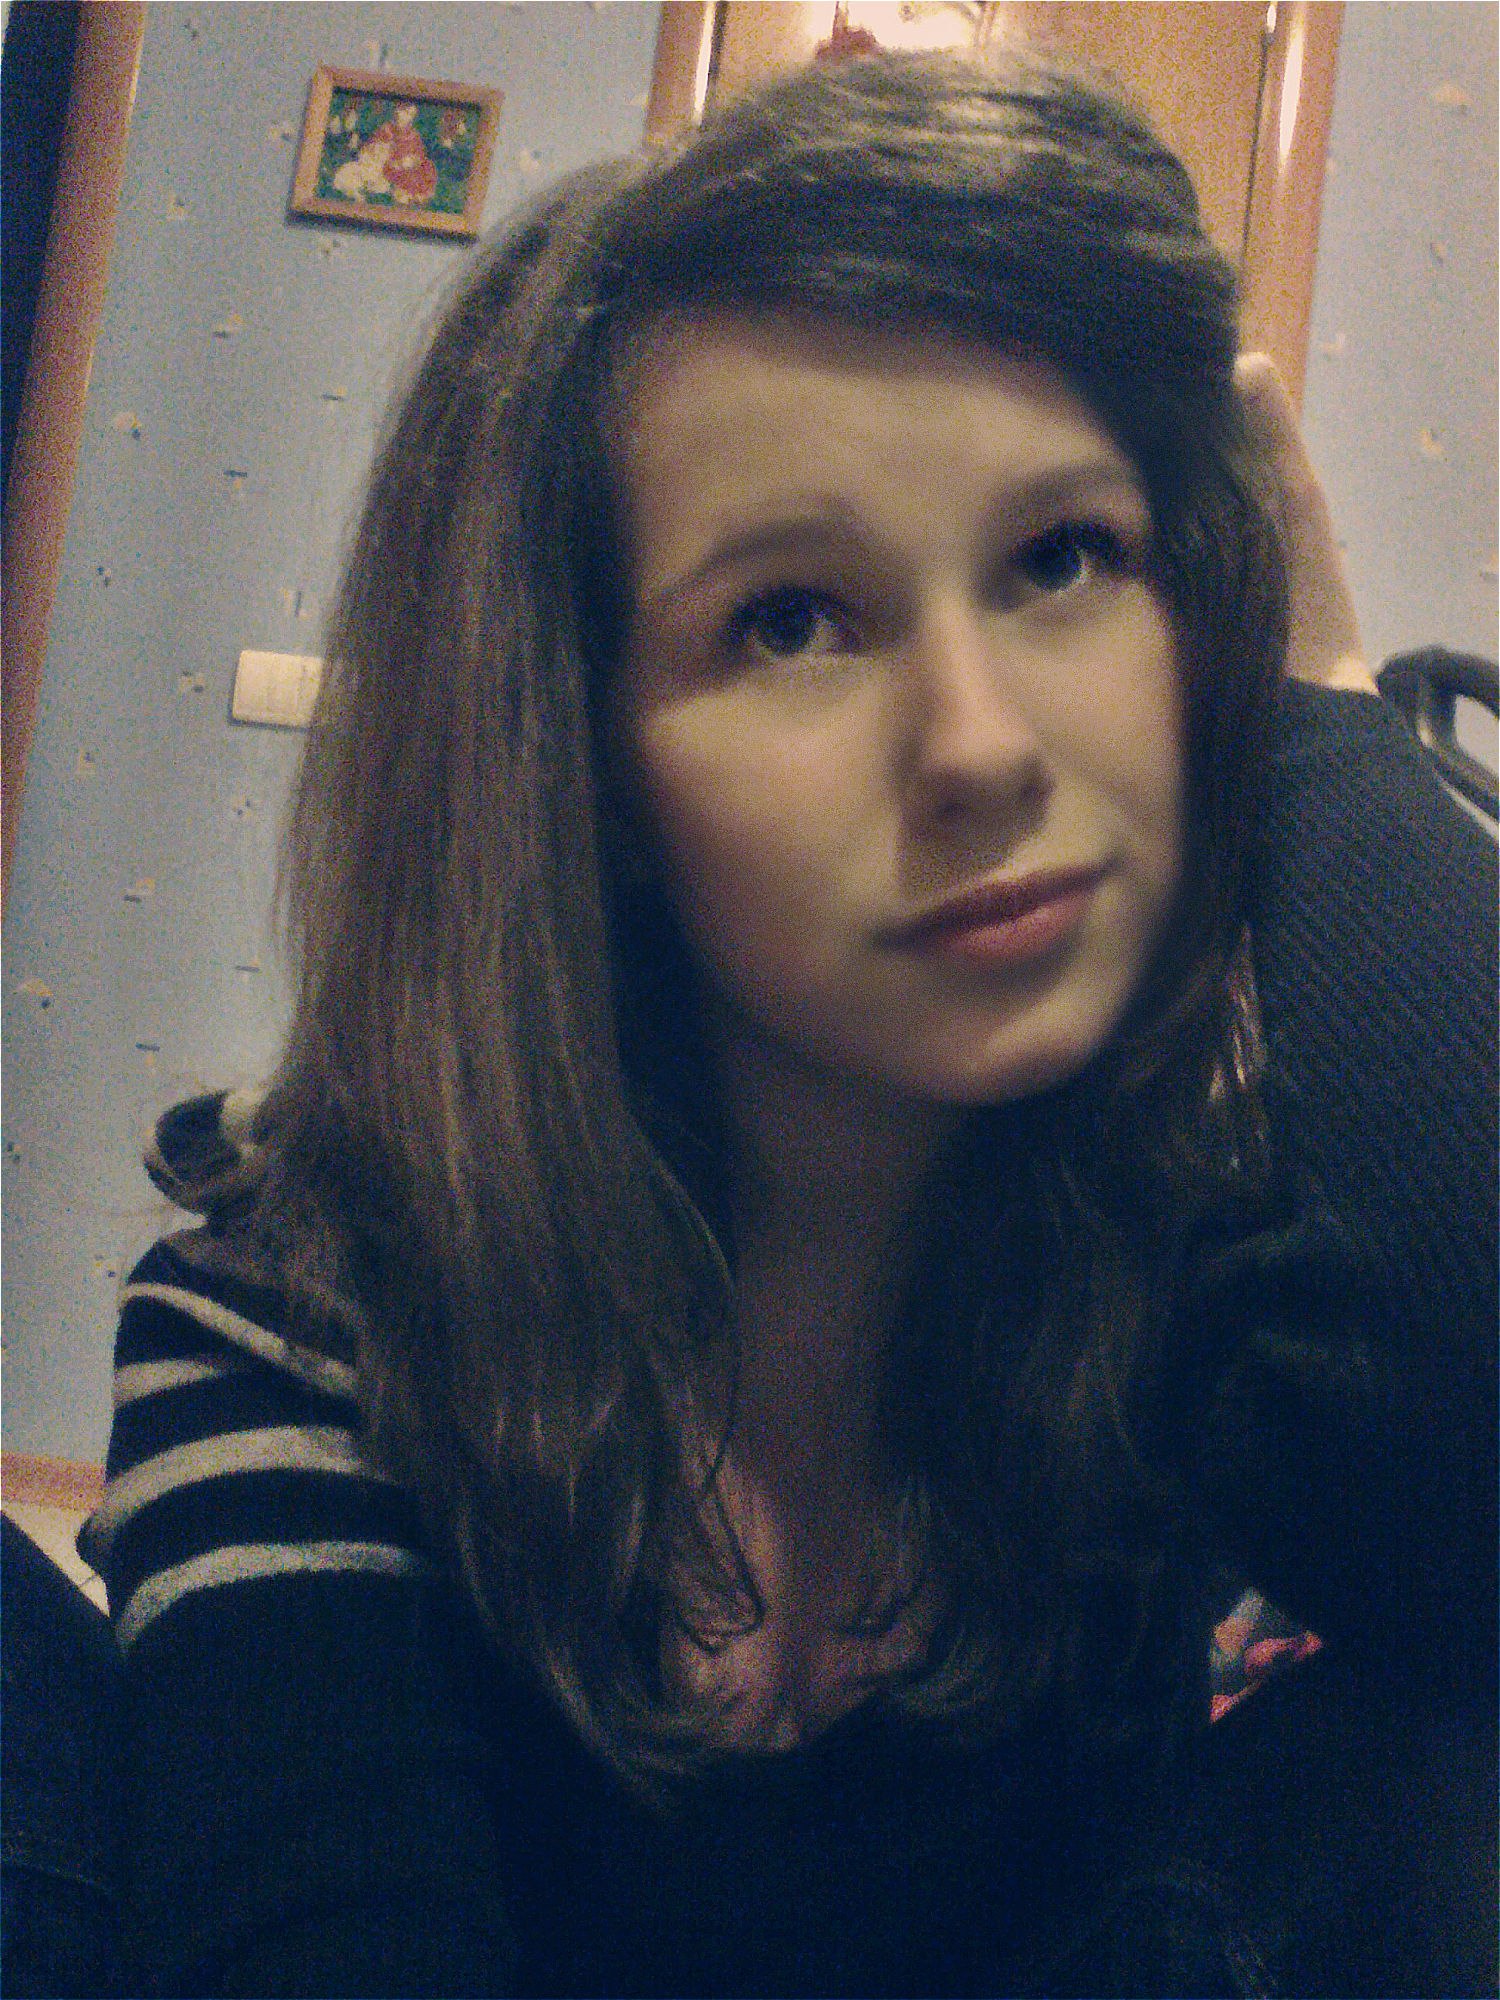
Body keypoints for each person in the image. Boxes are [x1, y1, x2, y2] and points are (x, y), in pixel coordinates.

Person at [80, 49, 1495, 1997]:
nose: (985, 748)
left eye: (1064, 557)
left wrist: (1317, 700)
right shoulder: (307, 1331)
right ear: (583, 763)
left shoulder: (1165, 1276)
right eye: (791, 620)